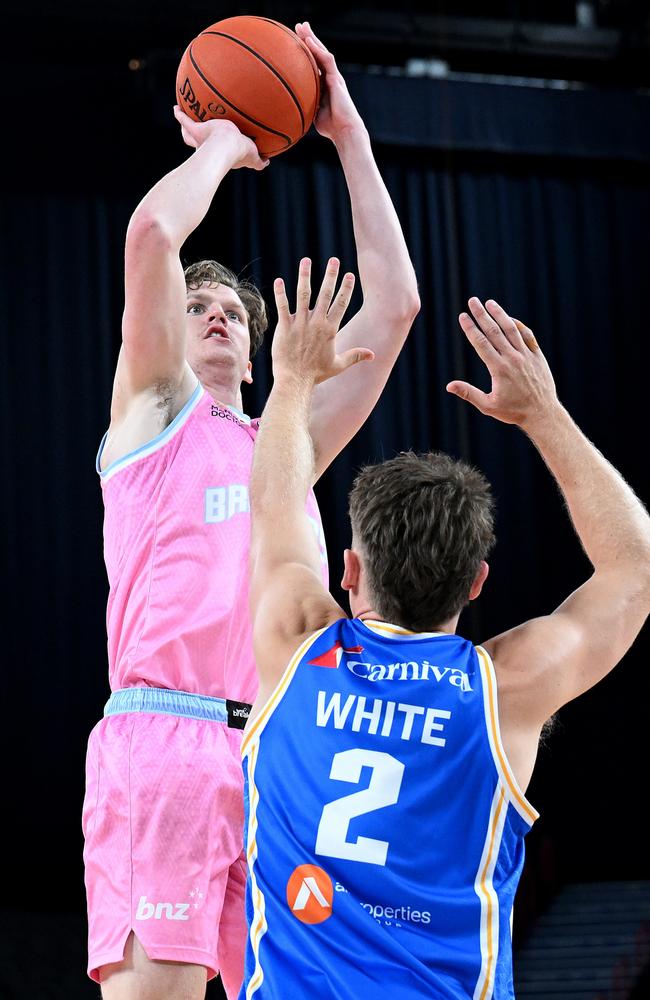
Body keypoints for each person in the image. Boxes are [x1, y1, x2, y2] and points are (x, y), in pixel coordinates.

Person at [82, 21, 420, 1000]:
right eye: (197, 309)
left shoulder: (286, 441)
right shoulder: (151, 419)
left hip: (288, 751)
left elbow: (393, 306)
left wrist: (347, 137)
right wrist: (227, 145)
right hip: (169, 740)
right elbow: (153, 235)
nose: (219, 312)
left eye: (232, 306)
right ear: (168, 343)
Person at [243, 258, 650, 999]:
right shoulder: (503, 690)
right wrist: (544, 414)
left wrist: (294, 379)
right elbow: (635, 569)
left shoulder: (299, 644)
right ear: (477, 582)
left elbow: (272, 506)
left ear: (349, 571)